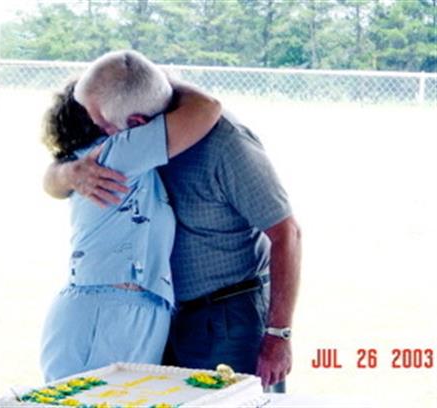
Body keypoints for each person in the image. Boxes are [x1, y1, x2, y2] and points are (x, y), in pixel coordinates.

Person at [44, 50, 301, 390]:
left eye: (103, 123)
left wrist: (278, 335)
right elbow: (56, 176)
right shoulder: (122, 150)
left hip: (226, 317)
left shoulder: (224, 143)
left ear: (135, 123)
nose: (101, 132)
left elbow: (288, 234)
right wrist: (66, 173)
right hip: (165, 316)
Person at [39, 53, 222, 382]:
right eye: (98, 119)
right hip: (109, 313)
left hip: (125, 310)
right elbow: (207, 107)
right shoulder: (118, 153)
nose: (103, 126)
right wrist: (158, 80)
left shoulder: (115, 156)